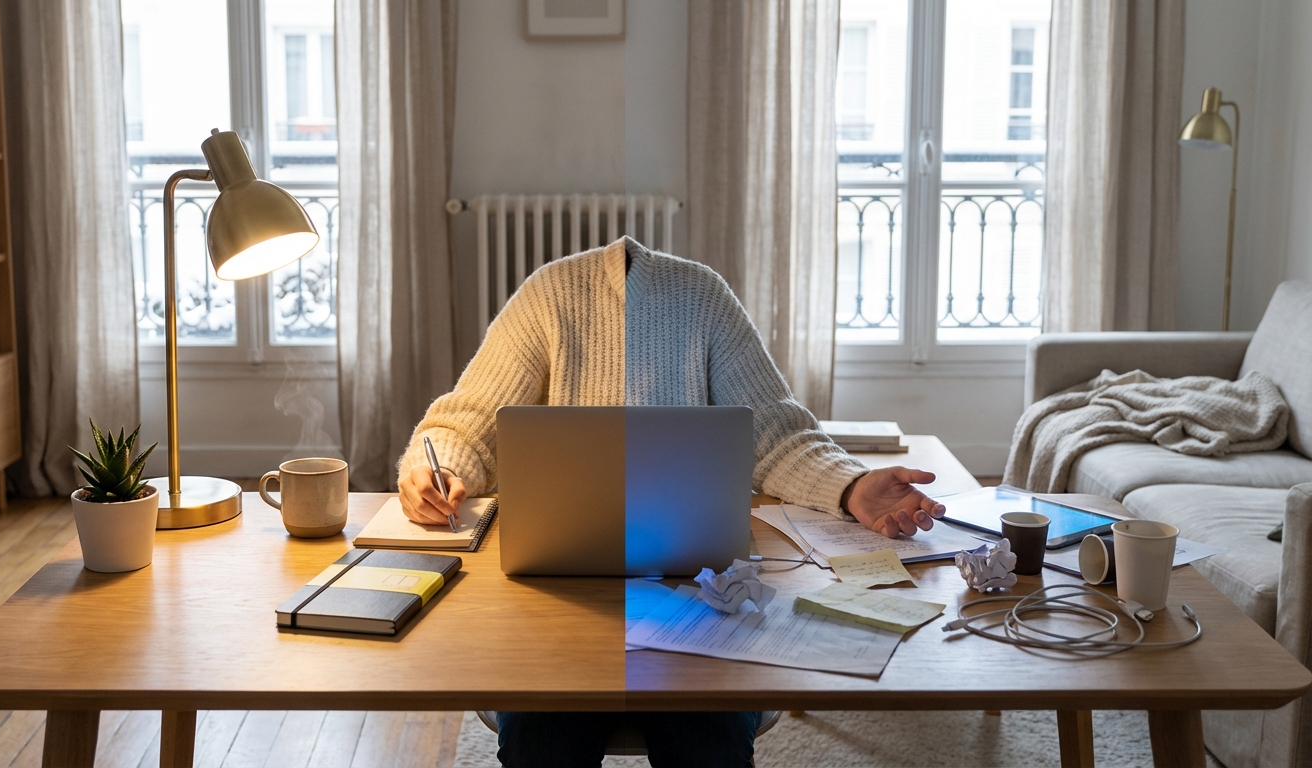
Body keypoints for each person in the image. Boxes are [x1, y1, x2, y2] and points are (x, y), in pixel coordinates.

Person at [397, 237, 945, 767]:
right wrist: (438, 468)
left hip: (699, 593)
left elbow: (775, 432)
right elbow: (467, 421)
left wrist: (850, 487)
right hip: (557, 597)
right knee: (541, 740)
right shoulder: (549, 295)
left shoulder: (703, 294)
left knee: (709, 739)